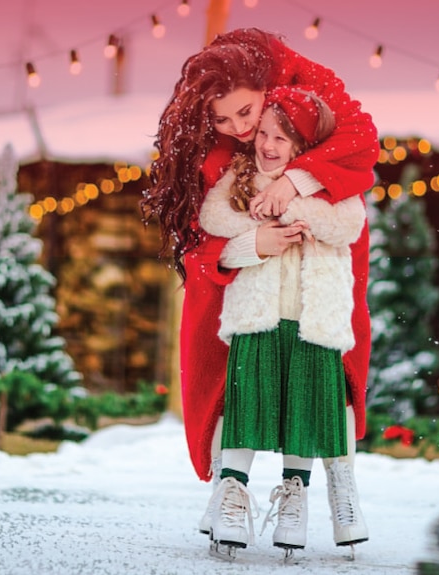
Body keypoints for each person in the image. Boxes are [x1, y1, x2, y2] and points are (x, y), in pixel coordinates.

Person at [140, 28, 379, 556]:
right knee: (231, 368)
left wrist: (295, 182)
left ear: (267, 89)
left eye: (247, 113)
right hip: (240, 268)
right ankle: (228, 486)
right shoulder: (216, 148)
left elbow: (360, 139)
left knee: (328, 368)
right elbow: (204, 228)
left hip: (319, 259)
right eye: (222, 120)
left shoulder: (303, 88)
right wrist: (252, 242)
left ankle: (334, 480)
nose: (241, 130)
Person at [198, 85, 365, 556]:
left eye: (282, 138)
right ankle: (231, 492)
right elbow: (213, 218)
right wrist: (256, 235)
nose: (268, 145)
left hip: (315, 318)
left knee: (305, 408)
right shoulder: (241, 177)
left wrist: (288, 203)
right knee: (248, 402)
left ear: (304, 147)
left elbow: (347, 223)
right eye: (264, 134)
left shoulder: (326, 185)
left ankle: (296, 499)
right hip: (257, 315)